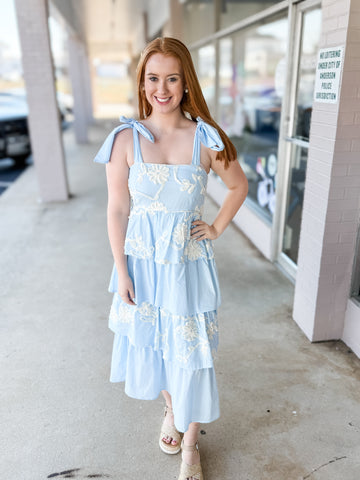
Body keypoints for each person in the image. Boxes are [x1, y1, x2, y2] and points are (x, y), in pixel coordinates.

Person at [94, 37, 248, 480]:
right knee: (159, 347)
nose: (162, 88)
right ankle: (171, 411)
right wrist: (121, 271)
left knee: (192, 353)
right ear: (142, 83)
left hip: (186, 265)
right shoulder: (126, 138)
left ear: (186, 83)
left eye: (172, 78)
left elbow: (237, 187)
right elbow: (117, 209)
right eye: (153, 78)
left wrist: (216, 228)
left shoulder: (205, 137)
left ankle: (191, 447)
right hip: (141, 265)